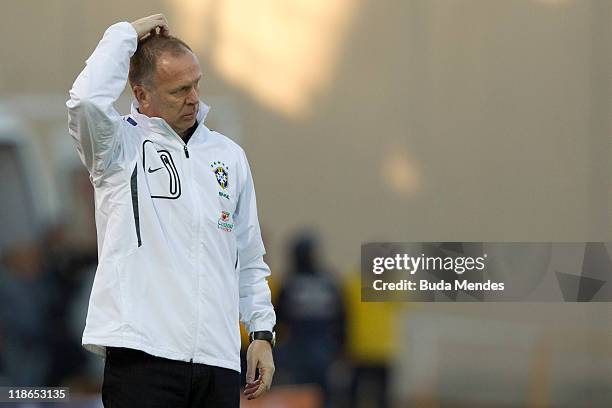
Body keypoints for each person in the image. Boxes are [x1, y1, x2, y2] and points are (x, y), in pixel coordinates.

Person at [66, 14, 276, 407]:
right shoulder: (116, 148)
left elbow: (248, 257)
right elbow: (86, 100)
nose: (195, 98)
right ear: (142, 94)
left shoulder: (228, 156)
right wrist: (126, 34)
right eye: (179, 89)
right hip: (143, 357)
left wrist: (261, 333)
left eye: (196, 84)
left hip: (218, 361)